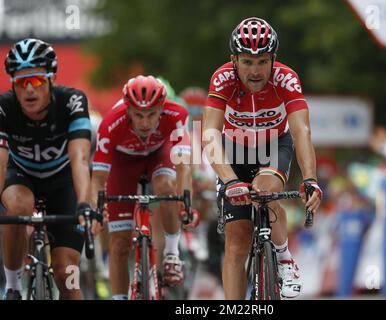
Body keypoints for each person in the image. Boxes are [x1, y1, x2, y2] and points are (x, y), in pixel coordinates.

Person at [202, 17, 323, 299]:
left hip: (274, 145)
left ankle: (283, 257)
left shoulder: (286, 78)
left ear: (273, 60)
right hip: (234, 149)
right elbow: (209, 133)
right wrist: (230, 180)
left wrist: (310, 179)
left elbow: (302, 130)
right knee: (236, 242)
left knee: (266, 191)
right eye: (246, 62)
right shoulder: (222, 79)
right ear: (234, 60)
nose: (255, 71)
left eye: (262, 62)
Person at [90, 75, 198, 300]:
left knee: (166, 186)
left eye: (151, 114)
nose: (145, 122)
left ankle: (171, 255)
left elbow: (184, 167)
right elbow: (99, 177)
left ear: (162, 108)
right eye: (138, 115)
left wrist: (185, 202)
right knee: (119, 243)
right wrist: (96, 209)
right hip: (124, 162)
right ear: (128, 110)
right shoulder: (111, 123)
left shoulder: (177, 114)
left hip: (159, 155)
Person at [0, 38, 93, 300]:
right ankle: (13, 287)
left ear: (51, 80)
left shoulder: (72, 101)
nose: (29, 90)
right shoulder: (3, 107)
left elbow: (80, 159)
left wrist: (85, 204)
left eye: (37, 81)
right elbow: (0, 161)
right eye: (21, 82)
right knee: (18, 205)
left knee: (68, 275)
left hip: (63, 182)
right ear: (13, 86)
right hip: (21, 176)